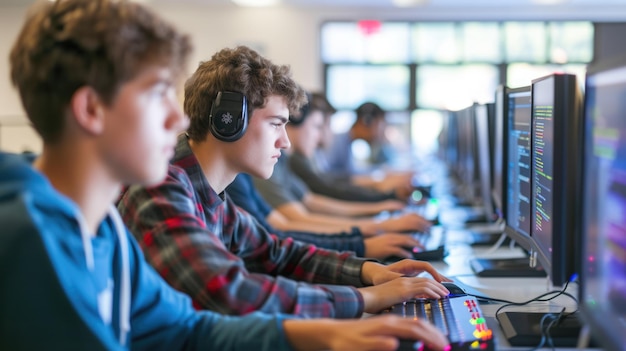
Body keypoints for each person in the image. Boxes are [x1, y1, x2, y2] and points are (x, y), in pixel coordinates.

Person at [0, 1, 450, 350]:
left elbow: (194, 325)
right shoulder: (31, 239)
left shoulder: (105, 230)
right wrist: (365, 300)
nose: (178, 119)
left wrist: (347, 305)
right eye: (158, 94)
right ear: (91, 110)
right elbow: (228, 295)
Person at [117, 45, 451, 319]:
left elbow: (275, 252)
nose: (285, 142)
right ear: (228, 120)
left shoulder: (208, 193)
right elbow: (229, 292)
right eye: (276, 124)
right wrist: (366, 299)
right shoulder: (162, 187)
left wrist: (367, 271)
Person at [251, 97, 432, 236]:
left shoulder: (282, 164)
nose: (322, 136)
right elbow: (297, 218)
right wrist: (377, 224)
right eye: (318, 126)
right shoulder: (278, 165)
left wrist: (383, 207)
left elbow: (312, 200)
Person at [227, 173, 423, 260]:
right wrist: (361, 238)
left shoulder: (242, 178)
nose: (285, 141)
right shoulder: (238, 183)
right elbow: (285, 231)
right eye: (276, 123)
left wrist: (369, 228)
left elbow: (277, 230)